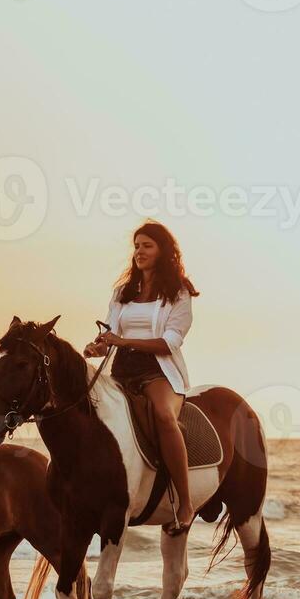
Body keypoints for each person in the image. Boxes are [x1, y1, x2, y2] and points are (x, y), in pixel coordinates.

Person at [83, 221, 198, 537]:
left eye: (147, 245)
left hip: (158, 370)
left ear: (163, 250)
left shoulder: (178, 292)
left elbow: (170, 341)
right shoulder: (123, 292)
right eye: (136, 246)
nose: (139, 252)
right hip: (121, 369)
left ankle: (186, 503)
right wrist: (99, 344)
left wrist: (125, 342)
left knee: (163, 417)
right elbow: (110, 330)